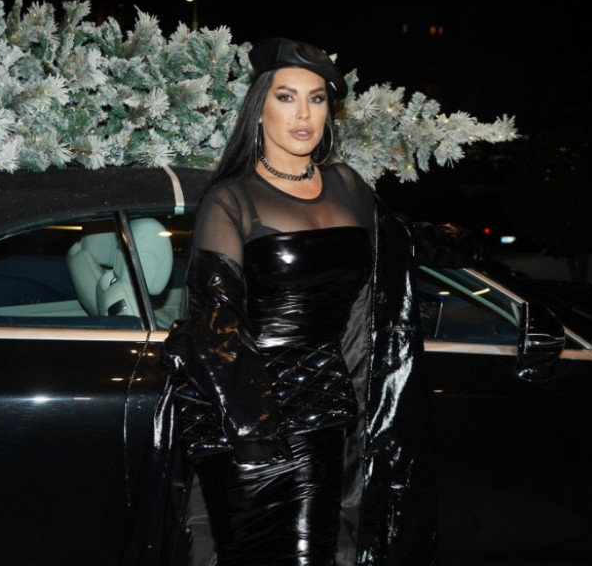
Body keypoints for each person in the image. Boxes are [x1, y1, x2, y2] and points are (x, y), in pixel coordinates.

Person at [149, 37, 444, 565]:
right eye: (286, 98)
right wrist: (250, 426)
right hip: (245, 412)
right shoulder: (232, 198)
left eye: (317, 99)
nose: (303, 114)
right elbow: (215, 315)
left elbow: (389, 258)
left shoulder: (348, 186)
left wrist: (444, 242)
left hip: (321, 406)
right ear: (259, 110)